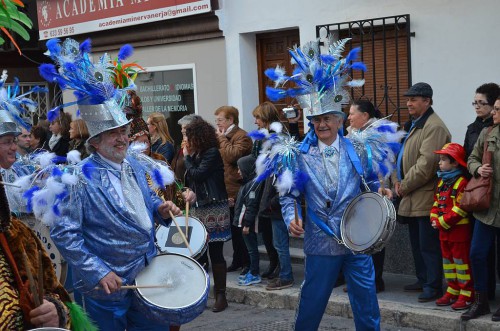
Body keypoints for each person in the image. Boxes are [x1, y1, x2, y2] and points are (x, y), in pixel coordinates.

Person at [38, 37, 182, 330]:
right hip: (106, 286)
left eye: (124, 130)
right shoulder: (79, 178)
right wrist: (98, 272)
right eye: (113, 133)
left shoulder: (132, 164)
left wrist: (160, 210)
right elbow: (65, 233)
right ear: (95, 141)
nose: (122, 138)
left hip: (146, 274)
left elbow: (143, 203)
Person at [261, 38, 400, 330]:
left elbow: (370, 184)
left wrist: (380, 193)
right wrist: (290, 218)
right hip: (321, 243)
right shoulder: (299, 156)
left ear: (338, 120)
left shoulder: (358, 149)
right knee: (313, 301)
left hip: (357, 241)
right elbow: (288, 196)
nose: (321, 124)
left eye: (327, 119)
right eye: (315, 121)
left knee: (366, 302)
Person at [395, 82, 451, 302]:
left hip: (424, 195)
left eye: (413, 99)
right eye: (408, 99)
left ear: (427, 101)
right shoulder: (416, 123)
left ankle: (433, 285)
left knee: (428, 245)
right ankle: (423, 278)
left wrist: (404, 184)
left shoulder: (434, 126)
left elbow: (427, 164)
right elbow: (403, 155)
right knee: (417, 243)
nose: (408, 103)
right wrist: (397, 181)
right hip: (411, 195)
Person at [183, 117, 231, 312]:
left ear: (198, 137)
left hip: (214, 208)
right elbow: (192, 180)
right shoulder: (198, 153)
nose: (185, 139)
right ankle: (201, 294)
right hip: (199, 207)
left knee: (216, 253)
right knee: (200, 252)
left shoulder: (211, 153)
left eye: (188, 136)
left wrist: (186, 156)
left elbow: (198, 174)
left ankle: (221, 296)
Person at [461, 97, 500, 321]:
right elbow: (472, 157)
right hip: (486, 206)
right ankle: (481, 301)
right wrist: (478, 168)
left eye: (497, 109)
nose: (493, 113)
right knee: (477, 253)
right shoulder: (487, 133)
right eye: (493, 109)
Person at [347, 99, 386, 293]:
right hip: (355, 192)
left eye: (352, 113)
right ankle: (361, 277)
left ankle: (375, 279)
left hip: (373, 191)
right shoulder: (351, 134)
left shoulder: (377, 135)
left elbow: (383, 165)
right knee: (358, 236)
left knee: (375, 236)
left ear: (365, 116)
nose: (349, 117)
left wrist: (382, 186)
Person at [430, 143, 473, 310]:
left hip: (458, 232)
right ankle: (452, 289)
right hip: (444, 232)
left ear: (455, 163)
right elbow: (437, 201)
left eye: (443, 160)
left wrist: (441, 221)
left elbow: (461, 208)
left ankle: (466, 293)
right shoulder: (442, 181)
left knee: (461, 263)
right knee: (448, 263)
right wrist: (434, 216)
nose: (440, 163)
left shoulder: (462, 182)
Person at [214, 106, 253, 274]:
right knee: (233, 229)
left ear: (231, 120)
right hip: (224, 188)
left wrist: (222, 140)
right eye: (216, 120)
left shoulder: (242, 136)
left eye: (220, 120)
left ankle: (247, 261)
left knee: (240, 229)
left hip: (237, 189)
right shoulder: (222, 137)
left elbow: (233, 156)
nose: (217, 123)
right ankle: (238, 259)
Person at [251, 101, 281, 280]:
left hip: (272, 188)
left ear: (266, 117)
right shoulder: (262, 135)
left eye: (257, 118)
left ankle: (278, 266)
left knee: (274, 233)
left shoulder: (277, 134)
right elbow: (256, 158)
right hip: (262, 186)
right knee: (265, 230)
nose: (255, 122)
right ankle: (272, 262)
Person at [234, 155, 264, 286]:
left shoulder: (252, 186)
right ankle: (252, 271)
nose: (238, 171)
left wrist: (246, 225)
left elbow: (251, 206)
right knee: (249, 248)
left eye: (240, 168)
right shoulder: (247, 184)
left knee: (252, 249)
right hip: (243, 223)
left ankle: (255, 273)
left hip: (248, 225)